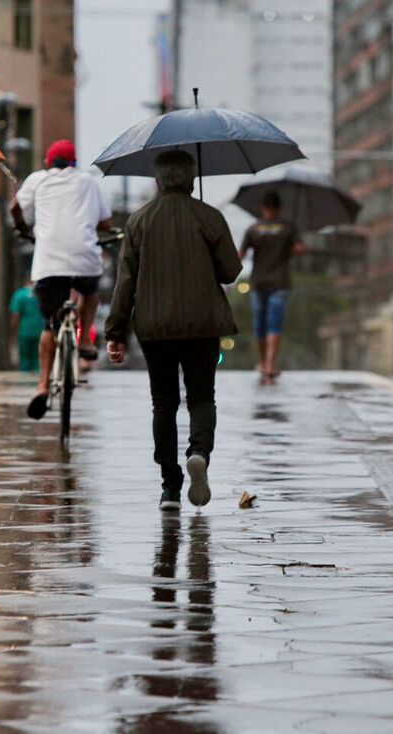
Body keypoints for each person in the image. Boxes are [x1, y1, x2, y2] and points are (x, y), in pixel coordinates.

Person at [105, 151, 242, 510]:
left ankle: (170, 485)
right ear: (192, 180)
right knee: (201, 397)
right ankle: (199, 452)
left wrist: (115, 332)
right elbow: (231, 271)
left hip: (154, 325)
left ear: (158, 181)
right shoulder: (209, 217)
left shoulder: (138, 221)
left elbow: (125, 282)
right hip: (202, 323)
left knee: (163, 402)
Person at [10, 139, 113, 419]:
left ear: (47, 162)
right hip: (84, 260)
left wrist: (23, 229)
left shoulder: (37, 180)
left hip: (49, 263)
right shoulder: (89, 183)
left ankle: (42, 386)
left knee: (49, 325)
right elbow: (105, 223)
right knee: (90, 292)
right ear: (75, 163)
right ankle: (85, 342)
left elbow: (14, 209)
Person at [238, 191, 305, 384]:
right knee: (274, 323)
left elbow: (240, 255)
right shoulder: (288, 228)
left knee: (260, 323)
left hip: (258, 282)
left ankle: (261, 361)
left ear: (263, 208)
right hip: (280, 282)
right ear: (279, 208)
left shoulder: (254, 229)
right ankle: (270, 364)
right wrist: (289, 247)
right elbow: (301, 248)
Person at [9, 278, 45, 372]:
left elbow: (15, 314)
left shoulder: (19, 294)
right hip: (40, 330)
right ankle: (37, 378)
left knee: (25, 359)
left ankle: (24, 378)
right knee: (38, 358)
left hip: (24, 331)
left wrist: (13, 331)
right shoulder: (41, 293)